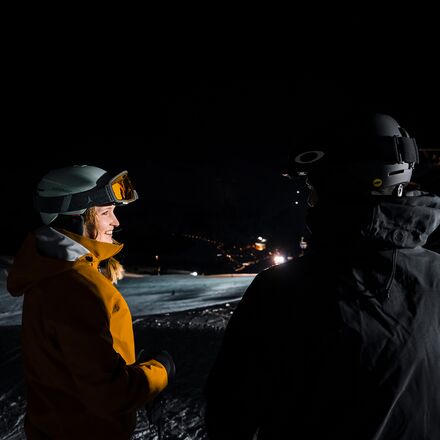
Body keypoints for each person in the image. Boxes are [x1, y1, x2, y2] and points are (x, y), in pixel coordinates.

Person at [204, 113, 440, 439]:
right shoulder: (437, 276)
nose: (310, 197)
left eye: (313, 185)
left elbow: (229, 415)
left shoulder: (282, 292)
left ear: (338, 183)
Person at [7, 165, 175, 439]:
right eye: (106, 212)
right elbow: (110, 394)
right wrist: (161, 370)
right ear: (76, 219)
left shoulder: (52, 273)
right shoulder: (75, 286)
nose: (116, 222)